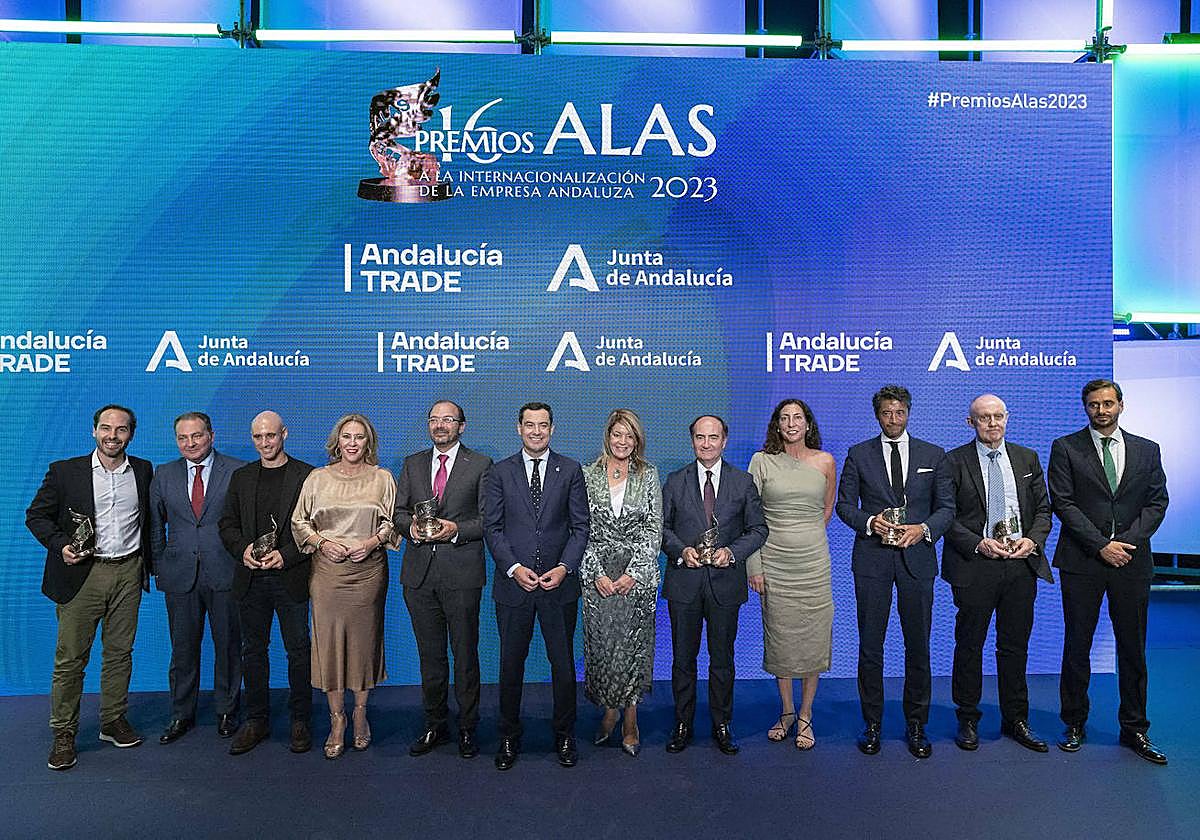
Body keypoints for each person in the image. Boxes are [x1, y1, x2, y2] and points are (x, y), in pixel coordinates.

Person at [1049, 379, 1169, 765]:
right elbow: (1063, 503)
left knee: (1132, 648)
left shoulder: (1147, 450)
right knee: (1076, 645)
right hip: (1082, 561)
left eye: (1107, 403)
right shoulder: (1066, 447)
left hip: (1131, 562)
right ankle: (1075, 723)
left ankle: (1135, 727)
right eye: (1093, 405)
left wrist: (1126, 545)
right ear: (1084, 407)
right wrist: (1101, 545)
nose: (1101, 410)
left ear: (1121, 405)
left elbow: (1156, 502)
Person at [26, 405, 153, 770]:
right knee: (70, 660)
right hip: (82, 574)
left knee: (119, 653)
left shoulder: (143, 471)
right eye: (106, 428)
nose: (113, 435)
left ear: (131, 433)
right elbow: (36, 515)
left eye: (122, 429)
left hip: (129, 572)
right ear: (94, 431)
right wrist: (60, 545)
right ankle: (64, 732)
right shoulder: (65, 472)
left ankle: (113, 720)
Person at [836, 385, 953, 759]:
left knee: (917, 645)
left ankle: (916, 725)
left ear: (908, 412)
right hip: (872, 560)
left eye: (899, 412)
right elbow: (843, 506)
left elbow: (947, 509)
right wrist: (871, 522)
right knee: (871, 646)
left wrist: (923, 530)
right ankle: (872, 724)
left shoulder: (934, 455)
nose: (893, 419)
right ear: (877, 415)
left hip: (917, 560)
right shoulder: (858, 454)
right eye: (886, 413)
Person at [941, 394, 1053, 753]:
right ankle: (968, 718)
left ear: (1007, 418)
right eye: (984, 417)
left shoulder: (1027, 458)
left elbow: (1044, 511)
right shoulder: (953, 461)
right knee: (970, 645)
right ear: (969, 422)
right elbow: (946, 515)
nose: (992, 423)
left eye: (998, 416)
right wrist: (978, 543)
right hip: (975, 565)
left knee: (1015, 646)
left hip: (1020, 565)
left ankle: (1016, 719)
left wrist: (1032, 542)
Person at [483, 402, 590, 770]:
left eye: (543, 425)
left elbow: (580, 528)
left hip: (559, 587)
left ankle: (564, 736)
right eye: (529, 425)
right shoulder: (499, 473)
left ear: (552, 429)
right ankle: (509, 737)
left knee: (562, 667)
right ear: (518, 429)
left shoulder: (571, 470)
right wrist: (513, 568)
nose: (536, 432)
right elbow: (492, 528)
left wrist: (564, 568)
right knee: (511, 666)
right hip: (515, 588)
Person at [291, 413, 395, 759]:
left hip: (367, 573)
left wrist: (370, 543)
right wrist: (322, 543)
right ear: (337, 441)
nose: (353, 443)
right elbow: (299, 522)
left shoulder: (383, 478)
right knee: (330, 645)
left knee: (363, 645)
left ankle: (360, 715)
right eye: (347, 436)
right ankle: (337, 720)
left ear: (369, 442)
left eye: (360, 437)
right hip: (327, 574)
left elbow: (394, 523)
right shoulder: (317, 478)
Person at [661, 415, 767, 756]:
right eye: (700, 437)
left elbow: (758, 529)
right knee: (682, 660)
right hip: (685, 584)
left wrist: (732, 554)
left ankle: (722, 723)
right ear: (692, 440)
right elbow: (661, 529)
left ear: (724, 440)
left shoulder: (743, 482)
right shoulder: (675, 481)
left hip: (725, 584)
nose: (706, 444)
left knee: (722, 659)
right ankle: (683, 723)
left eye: (713, 437)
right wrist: (682, 550)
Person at [394, 400, 492, 760]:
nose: (440, 425)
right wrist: (413, 528)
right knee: (429, 656)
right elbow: (398, 514)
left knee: (465, 655)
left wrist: (454, 531)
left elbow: (487, 520)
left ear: (462, 426)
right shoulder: (412, 463)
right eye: (434, 419)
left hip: (462, 574)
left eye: (447, 420)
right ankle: (434, 723)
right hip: (418, 577)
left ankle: (468, 728)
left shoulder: (480, 465)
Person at [218, 411, 315, 755]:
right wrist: (242, 550)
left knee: (299, 652)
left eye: (270, 436)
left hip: (290, 577)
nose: (264, 443)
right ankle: (256, 720)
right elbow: (226, 524)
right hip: (250, 579)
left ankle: (301, 718)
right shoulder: (242, 477)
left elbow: (315, 527)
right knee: (252, 651)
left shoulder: (307, 475)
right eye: (258, 437)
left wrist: (286, 555)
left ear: (284, 434)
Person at [151, 411, 245, 744]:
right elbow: (154, 527)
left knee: (229, 647)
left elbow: (244, 523)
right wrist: (160, 565)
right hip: (179, 576)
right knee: (183, 650)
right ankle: (180, 714)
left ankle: (226, 711)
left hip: (226, 572)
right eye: (183, 438)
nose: (190, 443)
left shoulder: (236, 470)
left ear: (211, 435)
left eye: (197, 436)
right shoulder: (163, 474)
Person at [746, 399, 835, 750]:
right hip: (774, 562)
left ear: (808, 423)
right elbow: (751, 518)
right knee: (781, 637)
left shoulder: (825, 461)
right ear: (777, 425)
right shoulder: (761, 461)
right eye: (784, 418)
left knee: (813, 637)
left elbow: (826, 510)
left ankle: (806, 715)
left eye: (797, 417)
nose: (791, 423)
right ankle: (786, 712)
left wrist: (804, 535)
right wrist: (755, 566)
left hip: (813, 563)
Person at [580, 409, 662, 757]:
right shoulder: (587, 474)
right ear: (607, 436)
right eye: (617, 434)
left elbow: (653, 529)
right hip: (597, 575)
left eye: (630, 436)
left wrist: (634, 573)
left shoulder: (649, 474)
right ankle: (609, 708)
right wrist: (596, 572)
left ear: (637, 439)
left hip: (636, 577)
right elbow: (579, 528)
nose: (623, 442)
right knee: (603, 649)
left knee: (632, 649)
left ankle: (630, 718)